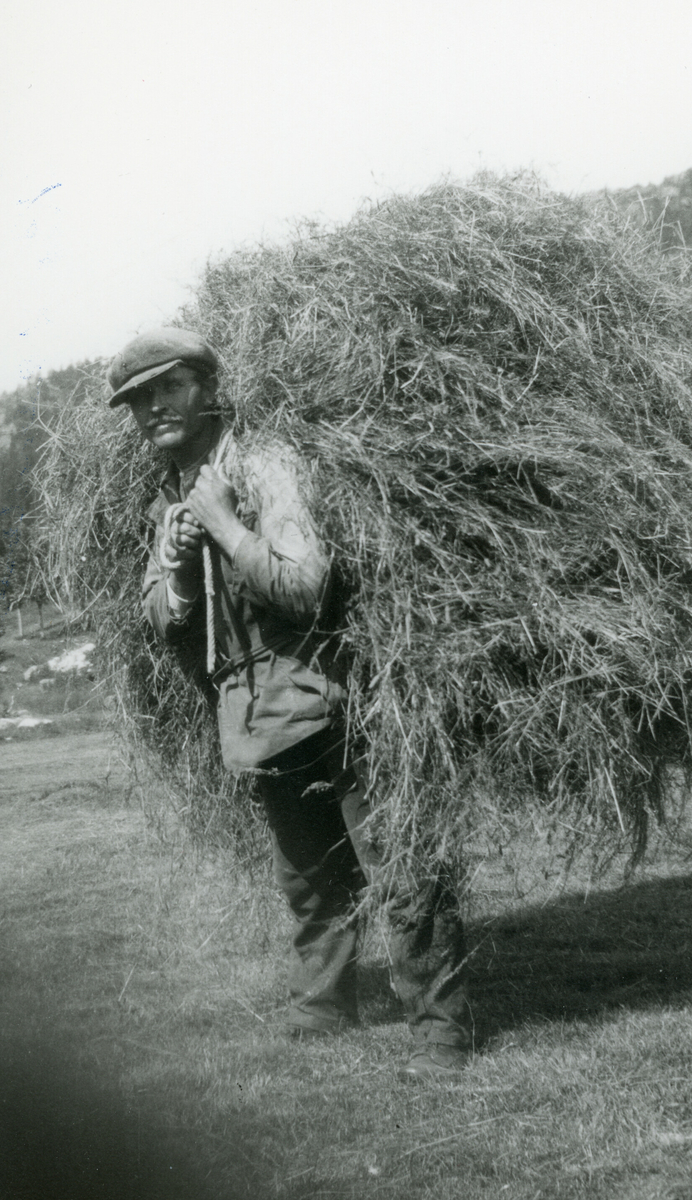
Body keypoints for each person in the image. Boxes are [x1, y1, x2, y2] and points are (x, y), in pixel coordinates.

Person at [107, 327, 471, 1079]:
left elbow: (306, 587)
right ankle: (321, 1008)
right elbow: (158, 610)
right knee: (306, 876)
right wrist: (173, 571)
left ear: (208, 387)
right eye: (138, 401)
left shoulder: (265, 465)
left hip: (338, 693)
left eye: (167, 388)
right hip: (256, 714)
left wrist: (225, 526)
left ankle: (439, 1029)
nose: (152, 410)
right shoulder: (172, 493)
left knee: (401, 868)